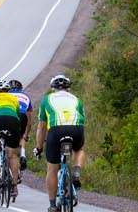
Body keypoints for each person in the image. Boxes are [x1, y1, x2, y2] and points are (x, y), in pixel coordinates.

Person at [36, 74, 86, 212]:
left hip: (56, 130)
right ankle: (76, 171)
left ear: (53, 88)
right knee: (79, 149)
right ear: (68, 88)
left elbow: (41, 127)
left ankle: (52, 205)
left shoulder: (47, 99)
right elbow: (82, 120)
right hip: (76, 129)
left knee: (52, 169)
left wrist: (39, 148)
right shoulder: (77, 100)